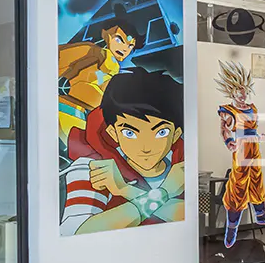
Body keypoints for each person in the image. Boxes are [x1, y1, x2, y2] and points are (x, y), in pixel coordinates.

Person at [61, 69, 184, 235]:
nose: (146, 147)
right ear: (113, 133)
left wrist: (125, 190)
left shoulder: (182, 163)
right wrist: (165, 192)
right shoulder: (91, 166)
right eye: (130, 133)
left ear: (176, 134)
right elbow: (76, 232)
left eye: (161, 132)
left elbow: (186, 216)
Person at [215, 60, 265, 249]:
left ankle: (260, 214)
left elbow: (253, 131)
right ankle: (231, 228)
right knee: (239, 182)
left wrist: (260, 137)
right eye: (239, 95)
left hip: (254, 147)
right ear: (232, 92)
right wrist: (229, 142)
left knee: (256, 178)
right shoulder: (228, 110)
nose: (242, 98)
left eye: (244, 95)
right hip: (241, 149)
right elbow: (225, 130)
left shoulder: (252, 108)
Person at [58, 6, 139, 146]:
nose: (125, 49)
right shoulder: (100, 53)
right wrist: (65, 79)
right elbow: (81, 64)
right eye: (119, 40)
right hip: (68, 105)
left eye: (131, 46)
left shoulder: (113, 66)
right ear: (105, 34)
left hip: (79, 113)